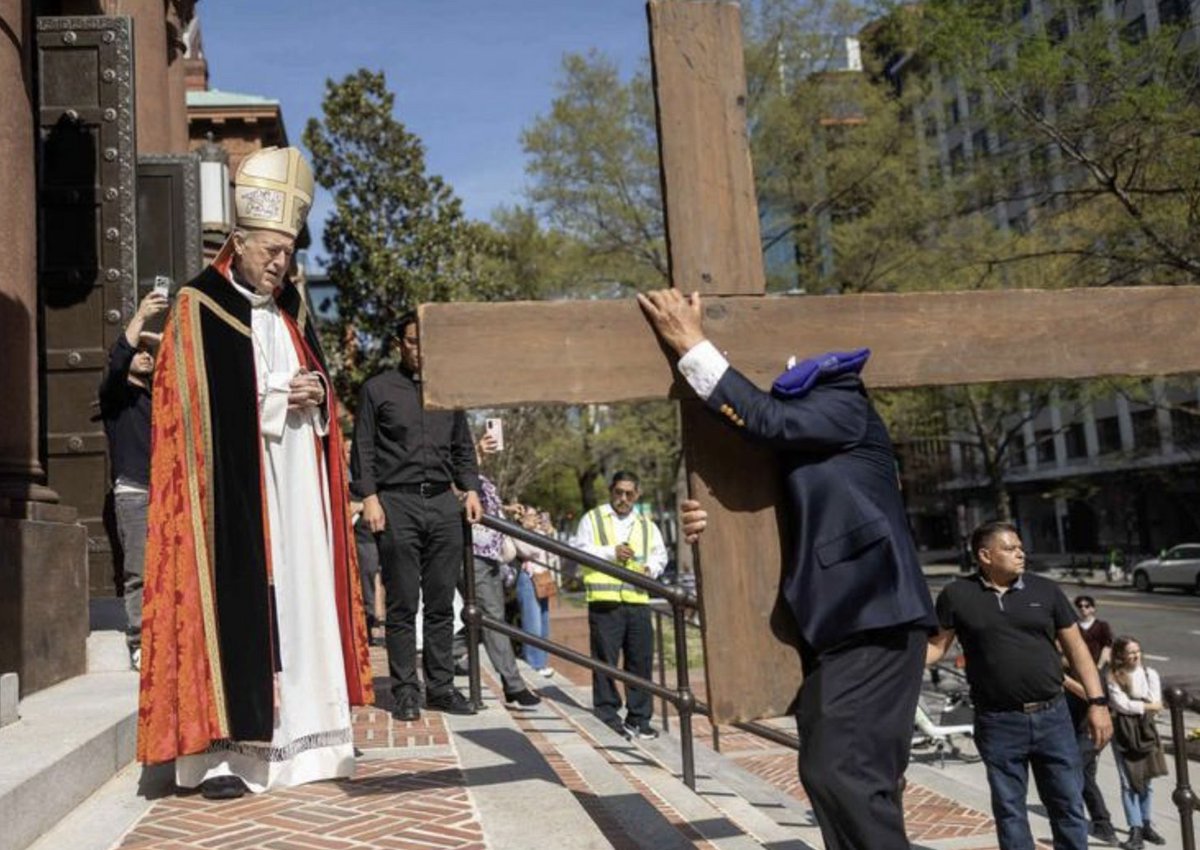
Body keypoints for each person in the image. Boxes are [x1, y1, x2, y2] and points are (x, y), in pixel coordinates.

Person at [639, 288, 937, 850]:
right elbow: (781, 498)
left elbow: (764, 419)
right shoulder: (807, 442)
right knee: (832, 773)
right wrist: (712, 523)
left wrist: (691, 343)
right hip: (834, 627)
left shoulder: (844, 402)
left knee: (846, 774)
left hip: (877, 613)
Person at [137, 147, 374, 799]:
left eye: (289, 252)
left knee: (301, 610)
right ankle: (227, 759)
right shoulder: (198, 304)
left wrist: (316, 395)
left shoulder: (294, 311)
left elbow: (325, 390)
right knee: (239, 614)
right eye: (271, 250)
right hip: (234, 504)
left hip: (297, 493)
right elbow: (184, 409)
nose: (282, 263)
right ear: (237, 242)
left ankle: (310, 742)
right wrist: (272, 399)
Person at [927, 521, 1113, 850]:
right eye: (1010, 548)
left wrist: (1098, 704)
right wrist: (887, 661)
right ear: (985, 555)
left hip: (1053, 717)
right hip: (997, 721)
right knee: (1010, 812)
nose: (1020, 553)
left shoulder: (1046, 590)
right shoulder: (957, 595)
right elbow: (937, 648)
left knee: (1067, 806)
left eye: (1020, 547)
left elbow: (1077, 649)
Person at [352, 313, 482, 722]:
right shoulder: (377, 389)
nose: (419, 349)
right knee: (403, 603)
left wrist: (472, 488)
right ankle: (407, 691)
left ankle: (441, 688)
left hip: (444, 503)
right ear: (399, 343)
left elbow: (463, 448)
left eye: (426, 342)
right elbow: (364, 450)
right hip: (397, 503)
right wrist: (369, 498)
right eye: (412, 341)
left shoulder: (449, 391)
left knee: (442, 602)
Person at [572, 471, 668, 741]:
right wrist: (610, 552)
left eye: (629, 493)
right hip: (605, 602)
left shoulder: (647, 525)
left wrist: (651, 568)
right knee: (605, 662)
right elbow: (578, 549)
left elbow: (660, 555)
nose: (623, 498)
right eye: (618, 493)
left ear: (637, 495)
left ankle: (639, 719)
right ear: (611, 492)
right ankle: (607, 715)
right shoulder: (592, 519)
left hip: (637, 601)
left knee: (641, 662)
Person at [99, 290, 167, 671]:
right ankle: (139, 642)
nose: (145, 354)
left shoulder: (161, 396)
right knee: (139, 571)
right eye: (138, 350)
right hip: (135, 493)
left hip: (166, 492)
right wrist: (141, 317)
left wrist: (160, 341)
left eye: (149, 351)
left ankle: (166, 637)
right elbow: (119, 358)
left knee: (168, 570)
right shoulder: (115, 396)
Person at [464, 432, 540, 708]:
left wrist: (507, 509)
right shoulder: (461, 476)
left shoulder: (481, 480)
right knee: (492, 617)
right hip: (473, 555)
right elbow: (458, 489)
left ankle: (446, 655)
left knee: (480, 618)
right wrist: (477, 453)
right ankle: (514, 685)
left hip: (491, 557)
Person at [1108, 636, 1168, 849]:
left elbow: (1157, 702)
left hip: (1145, 731)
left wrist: (1144, 705)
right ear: (1120, 655)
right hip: (1123, 733)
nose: (1135, 656)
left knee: (1146, 780)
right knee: (1128, 782)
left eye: (1137, 651)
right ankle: (1135, 831)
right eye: (1130, 652)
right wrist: (1145, 705)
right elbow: (1122, 705)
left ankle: (1146, 824)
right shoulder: (1114, 676)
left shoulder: (1150, 674)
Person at [1066, 594, 1117, 842]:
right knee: (1086, 776)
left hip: (1092, 731)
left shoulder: (1091, 675)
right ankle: (1102, 824)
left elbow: (1091, 696)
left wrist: (1062, 677)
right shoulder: (1065, 668)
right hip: (1076, 729)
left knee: (1078, 772)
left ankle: (1100, 822)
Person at [514, 507, 558, 678]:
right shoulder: (517, 532)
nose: (535, 519)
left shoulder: (540, 532)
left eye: (536, 516)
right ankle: (534, 663)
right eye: (530, 515)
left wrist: (548, 532)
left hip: (543, 577)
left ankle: (542, 662)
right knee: (532, 622)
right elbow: (529, 551)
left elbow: (552, 555)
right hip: (528, 577)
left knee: (544, 621)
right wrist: (528, 529)